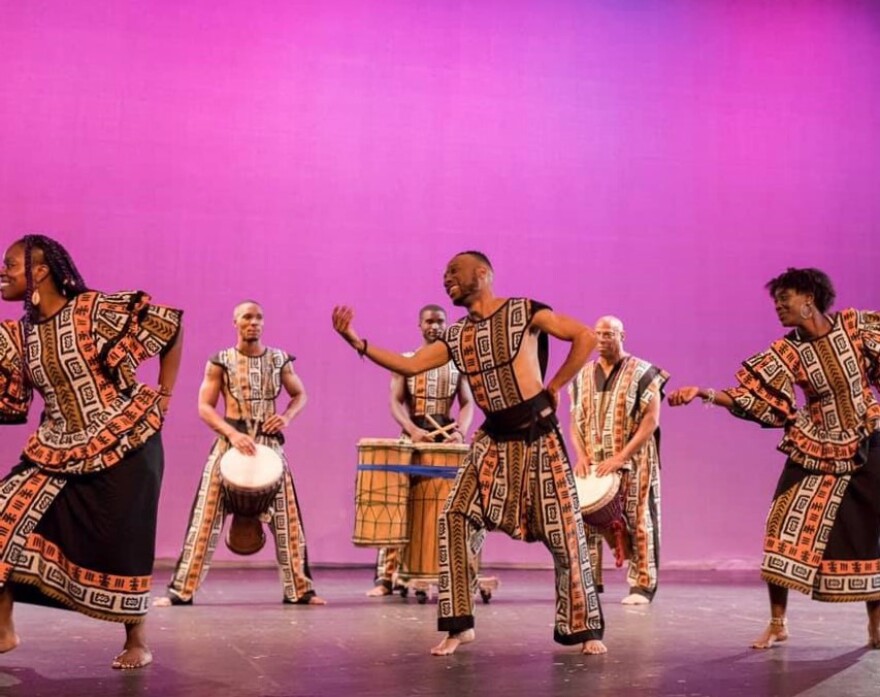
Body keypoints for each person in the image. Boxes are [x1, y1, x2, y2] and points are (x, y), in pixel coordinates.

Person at [333, 251, 606, 656]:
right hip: (492, 438)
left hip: (537, 435)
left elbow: (584, 336)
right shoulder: (457, 336)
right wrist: (357, 341)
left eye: (453, 272)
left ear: (483, 273)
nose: (446, 280)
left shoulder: (524, 311)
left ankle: (583, 628)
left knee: (565, 534)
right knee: (456, 518)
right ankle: (460, 625)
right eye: (443, 276)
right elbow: (410, 367)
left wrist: (556, 385)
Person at [669, 267, 880, 649]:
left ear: (809, 300)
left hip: (869, 439)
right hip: (817, 443)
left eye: (786, 298)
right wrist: (704, 392)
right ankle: (778, 622)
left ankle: (876, 626)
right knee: (782, 526)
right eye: (776, 300)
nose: (779, 306)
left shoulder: (856, 328)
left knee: (871, 533)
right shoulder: (787, 352)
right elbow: (753, 396)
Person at [0, 234, 183, 669]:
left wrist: (164, 395)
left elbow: (169, 328)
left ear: (40, 271)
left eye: (9, 264)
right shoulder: (18, 336)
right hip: (58, 445)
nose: (2, 273)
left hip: (125, 440)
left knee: (125, 541)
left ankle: (137, 639)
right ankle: (3, 626)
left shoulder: (93, 310)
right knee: (5, 512)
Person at [156, 301, 324, 607]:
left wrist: (286, 417)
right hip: (229, 446)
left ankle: (301, 590)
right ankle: (180, 591)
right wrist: (232, 434)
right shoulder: (220, 361)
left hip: (270, 447)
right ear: (235, 322)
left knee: (289, 522)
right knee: (204, 520)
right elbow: (204, 407)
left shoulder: (279, 359)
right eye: (247, 317)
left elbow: (300, 394)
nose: (254, 322)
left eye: (259, 317)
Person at [367, 304, 475, 597]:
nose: (435, 326)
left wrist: (459, 432)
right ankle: (386, 578)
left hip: (444, 438)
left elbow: (467, 403)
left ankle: (442, 572)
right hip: (412, 435)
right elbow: (395, 401)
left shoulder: (458, 362)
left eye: (440, 321)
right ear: (420, 325)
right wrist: (413, 430)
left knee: (445, 506)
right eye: (429, 321)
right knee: (397, 504)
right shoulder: (406, 361)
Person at [569, 316, 668, 605]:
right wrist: (581, 455)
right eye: (598, 334)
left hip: (634, 460)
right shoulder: (582, 375)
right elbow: (575, 420)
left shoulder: (644, 372)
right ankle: (590, 582)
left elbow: (651, 421)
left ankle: (642, 585)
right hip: (595, 463)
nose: (602, 339)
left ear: (622, 335)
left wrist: (622, 456)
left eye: (609, 334)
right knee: (588, 519)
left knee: (640, 519)